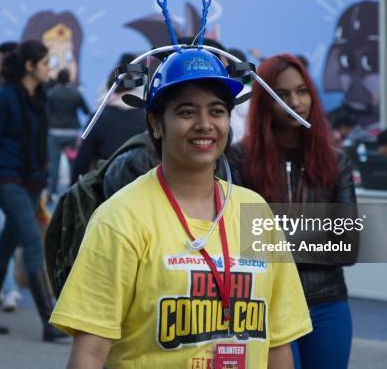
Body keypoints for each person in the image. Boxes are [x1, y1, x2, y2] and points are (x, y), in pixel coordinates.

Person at [50, 47, 312, 367]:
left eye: (217, 111)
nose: (205, 124)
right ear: (157, 124)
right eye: (187, 112)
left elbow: (278, 342)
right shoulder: (120, 218)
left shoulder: (253, 211)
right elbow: (90, 352)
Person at [230, 54, 359, 369]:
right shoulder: (238, 159)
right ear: (265, 100)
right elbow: (238, 242)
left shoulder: (336, 161)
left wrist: (271, 240)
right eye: (282, 93)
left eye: (302, 91)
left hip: (327, 302)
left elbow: (348, 247)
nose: (295, 101)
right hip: (264, 302)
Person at [0, 40, 66, 342]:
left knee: (4, 245)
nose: (48, 68)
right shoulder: (3, 97)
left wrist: (42, 183)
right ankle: (47, 320)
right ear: (29, 66)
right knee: (31, 242)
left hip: (31, 182)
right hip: (7, 181)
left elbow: (41, 142)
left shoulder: (39, 95)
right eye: (44, 63)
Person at [70, 54, 145, 183]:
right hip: (141, 182)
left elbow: (82, 160)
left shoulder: (98, 117)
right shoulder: (145, 116)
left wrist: (73, 187)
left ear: (110, 88)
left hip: (107, 185)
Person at [46, 68, 90, 197]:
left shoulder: (51, 93)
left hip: (54, 132)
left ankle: (52, 192)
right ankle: (73, 191)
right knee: (73, 165)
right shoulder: (75, 93)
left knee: (54, 164)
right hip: (71, 132)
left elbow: (45, 112)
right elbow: (86, 111)